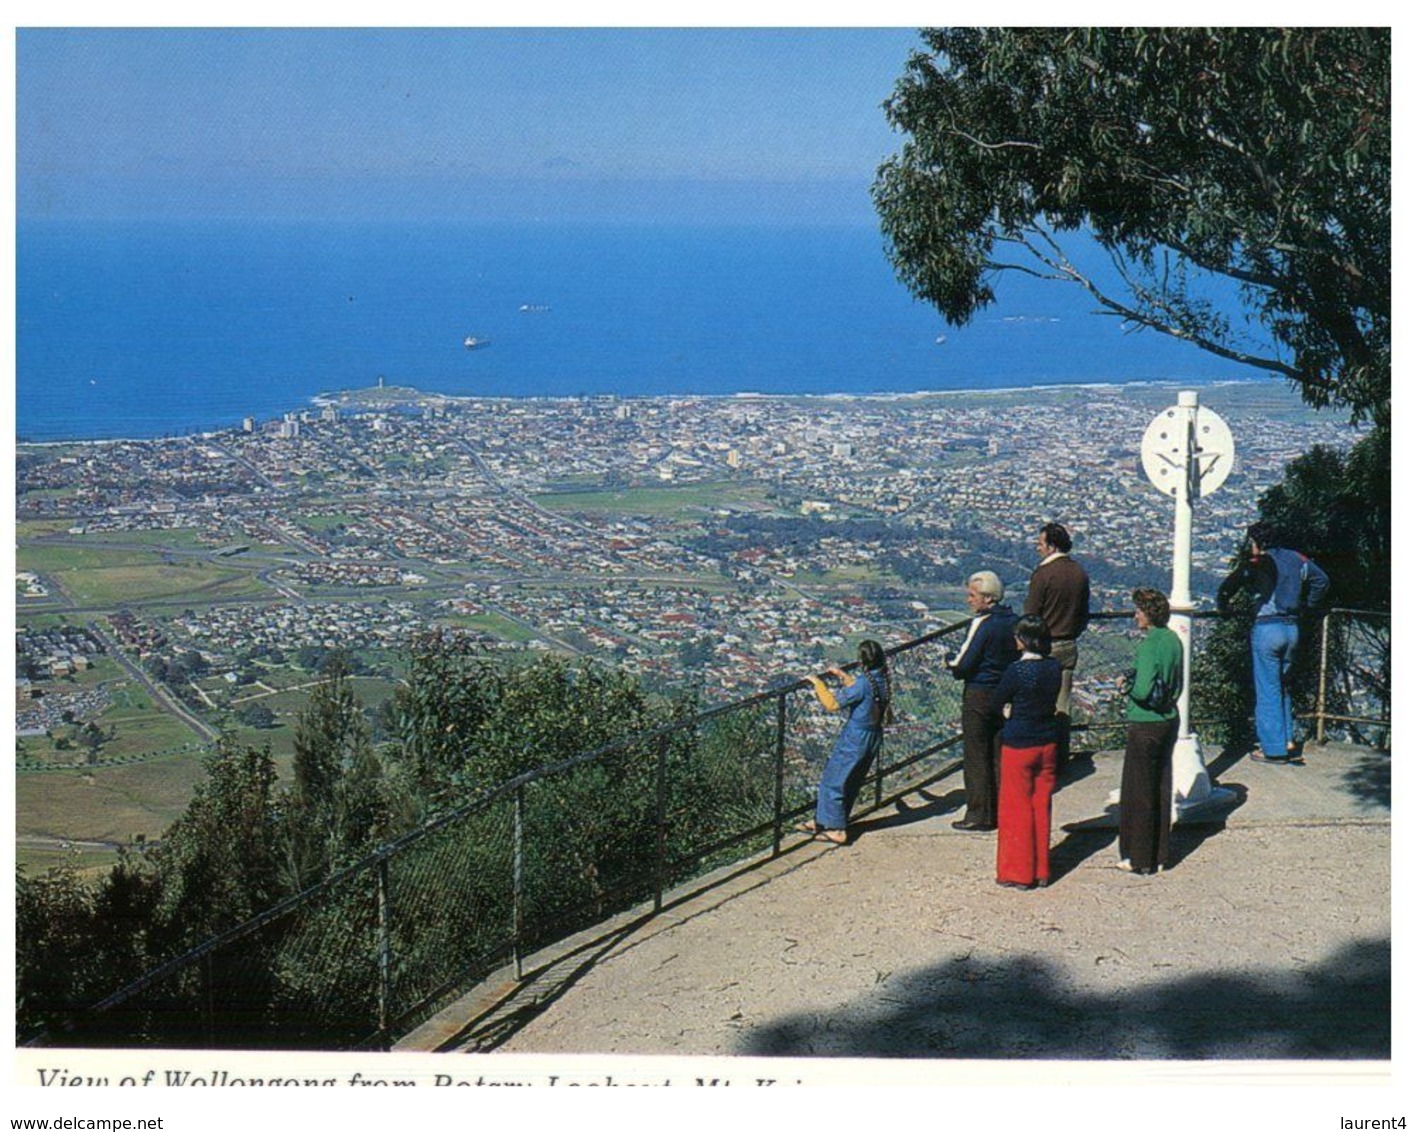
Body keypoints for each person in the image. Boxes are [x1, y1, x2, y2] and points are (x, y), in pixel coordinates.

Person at [1218, 522, 1331, 764]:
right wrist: (1309, 605)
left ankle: (1272, 749)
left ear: (1257, 542)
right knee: (1283, 685)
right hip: (1292, 628)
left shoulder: (1261, 561)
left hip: (1267, 628)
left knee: (1267, 688)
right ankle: (1287, 739)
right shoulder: (1298, 559)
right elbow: (1321, 580)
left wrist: (1225, 606)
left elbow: (1233, 584)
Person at [796, 639, 892, 845]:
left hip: (855, 737)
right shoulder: (882, 678)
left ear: (862, 661)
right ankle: (824, 821)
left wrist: (817, 683)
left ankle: (837, 829)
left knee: (834, 780)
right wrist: (842, 676)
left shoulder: (865, 683)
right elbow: (863, 691)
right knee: (851, 780)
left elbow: (832, 704)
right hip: (873, 735)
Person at [990, 615, 1062, 890]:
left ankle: (1018, 873)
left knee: (1015, 808)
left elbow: (996, 702)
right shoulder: (1053, 667)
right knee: (1040, 805)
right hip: (1048, 741)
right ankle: (1042, 870)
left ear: (1023, 639)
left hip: (1019, 743)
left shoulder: (1016, 671)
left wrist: (1008, 711)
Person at [1117, 588, 1183, 876]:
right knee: (1160, 786)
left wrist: (1127, 686)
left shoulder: (1149, 645)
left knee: (1138, 790)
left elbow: (1143, 689)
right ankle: (1158, 853)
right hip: (1169, 718)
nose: (1135, 616)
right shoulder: (1173, 640)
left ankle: (1138, 857)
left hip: (1145, 722)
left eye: (1139, 611)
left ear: (1149, 614)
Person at [946, 571, 1019, 831]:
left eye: (972, 595)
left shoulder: (983, 622)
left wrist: (949, 662)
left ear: (988, 598)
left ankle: (979, 813)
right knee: (999, 752)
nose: (969, 600)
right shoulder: (1013, 621)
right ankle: (1003, 808)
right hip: (1005, 692)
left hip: (979, 692)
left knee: (976, 754)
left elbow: (963, 664)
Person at [1023, 521, 1090, 766]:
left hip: (1043, 647)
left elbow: (1031, 615)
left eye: (1040, 544)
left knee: (1037, 705)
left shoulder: (1043, 574)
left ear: (1051, 546)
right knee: (1062, 706)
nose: (1037, 548)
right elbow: (1083, 614)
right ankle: (1060, 758)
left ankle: (1039, 757)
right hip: (1069, 644)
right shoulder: (1079, 573)